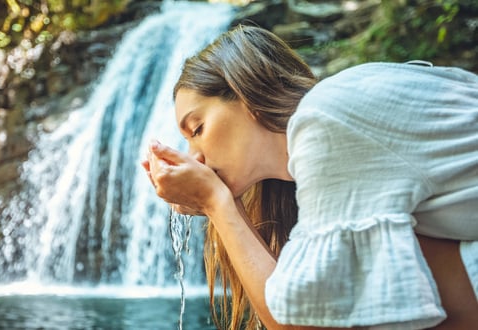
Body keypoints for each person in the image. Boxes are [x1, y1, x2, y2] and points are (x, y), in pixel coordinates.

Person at [141, 25, 478, 329]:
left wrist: (216, 202)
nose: (195, 156)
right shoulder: (361, 170)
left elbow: (300, 326)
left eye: (197, 128)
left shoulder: (326, 118)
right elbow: (458, 313)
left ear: (247, 96)